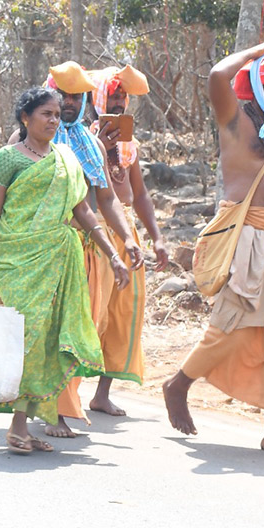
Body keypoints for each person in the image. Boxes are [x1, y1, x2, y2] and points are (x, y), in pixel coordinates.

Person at [163, 44, 264, 458]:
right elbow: (217, 75)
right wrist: (262, 50)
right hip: (250, 238)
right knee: (232, 324)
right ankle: (179, 383)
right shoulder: (234, 120)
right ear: (255, 84)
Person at [0, 87, 130, 453]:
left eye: (57, 115)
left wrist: (113, 255)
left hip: (60, 257)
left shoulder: (66, 159)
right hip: (19, 259)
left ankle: (26, 425)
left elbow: (84, 212)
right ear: (26, 118)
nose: (54, 121)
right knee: (27, 338)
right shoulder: (7, 160)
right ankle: (17, 424)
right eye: (46, 114)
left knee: (49, 340)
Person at [32, 61, 142, 437]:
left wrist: (125, 238)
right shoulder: (29, 142)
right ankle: (54, 411)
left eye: (76, 96)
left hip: (87, 247)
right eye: (61, 95)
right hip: (44, 248)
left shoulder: (90, 142)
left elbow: (106, 198)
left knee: (82, 329)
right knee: (50, 330)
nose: (68, 102)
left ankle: (61, 402)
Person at [84, 65, 169, 417]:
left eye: (122, 96)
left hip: (127, 233)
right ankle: (64, 392)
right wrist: (98, 149)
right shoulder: (79, 138)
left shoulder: (129, 143)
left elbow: (140, 194)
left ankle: (102, 393)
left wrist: (157, 238)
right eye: (113, 95)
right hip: (94, 231)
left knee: (124, 312)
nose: (118, 102)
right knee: (90, 310)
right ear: (97, 98)